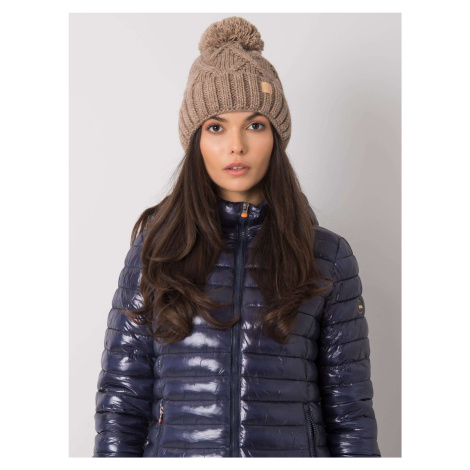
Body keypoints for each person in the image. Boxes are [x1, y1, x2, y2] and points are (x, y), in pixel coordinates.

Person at [93, 16, 381, 458]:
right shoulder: (156, 248)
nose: (236, 145)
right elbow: (122, 402)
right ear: (196, 140)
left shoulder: (327, 256)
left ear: (276, 136)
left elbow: (350, 414)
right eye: (216, 127)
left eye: (255, 125)